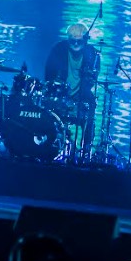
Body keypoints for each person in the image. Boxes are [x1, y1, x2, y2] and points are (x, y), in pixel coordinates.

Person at [43, 23, 100, 159]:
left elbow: (93, 78)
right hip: (60, 92)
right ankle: (49, 143)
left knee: (91, 106)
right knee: (48, 107)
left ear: (85, 40)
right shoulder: (58, 49)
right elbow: (48, 74)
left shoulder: (92, 54)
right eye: (72, 41)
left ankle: (86, 148)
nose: (75, 44)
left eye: (79, 41)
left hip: (82, 93)